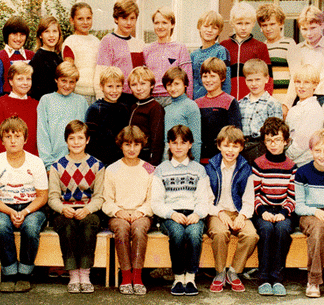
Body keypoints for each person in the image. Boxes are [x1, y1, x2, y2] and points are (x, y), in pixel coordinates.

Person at [0, 116, 48, 293]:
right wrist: (11, 212)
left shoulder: (36, 162)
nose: (13, 141)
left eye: (17, 136)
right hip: (4, 206)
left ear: (25, 139)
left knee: (30, 227)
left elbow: (42, 196)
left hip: (32, 207)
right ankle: (9, 273)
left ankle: (25, 273)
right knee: (0, 225)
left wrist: (25, 211)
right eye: (8, 136)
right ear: (2, 140)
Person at [151, 124, 210, 296]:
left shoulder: (199, 170)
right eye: (174, 142)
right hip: (170, 215)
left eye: (183, 142)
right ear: (168, 144)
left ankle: (190, 277)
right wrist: (171, 214)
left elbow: (204, 199)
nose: (178, 147)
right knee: (177, 233)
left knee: (193, 233)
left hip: (194, 214)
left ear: (190, 144)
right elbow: (156, 202)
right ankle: (178, 277)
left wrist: (197, 214)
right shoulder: (161, 170)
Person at [48, 120, 105, 293]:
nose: (76, 142)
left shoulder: (97, 165)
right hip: (64, 210)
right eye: (72, 138)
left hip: (88, 210)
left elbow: (99, 197)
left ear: (87, 140)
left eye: (80, 138)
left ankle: (85, 274)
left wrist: (87, 210)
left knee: (89, 225)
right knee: (67, 226)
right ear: (66, 141)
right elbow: (52, 197)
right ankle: (73, 275)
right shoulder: (57, 166)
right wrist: (62, 209)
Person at [205, 126, 258, 292]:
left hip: (238, 212)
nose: (230, 150)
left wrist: (242, 215)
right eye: (226, 146)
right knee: (220, 233)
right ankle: (220, 272)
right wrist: (219, 213)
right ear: (219, 146)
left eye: (235, 146)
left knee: (251, 235)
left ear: (241, 148)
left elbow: (249, 199)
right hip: (217, 212)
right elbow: (206, 199)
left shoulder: (245, 168)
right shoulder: (210, 167)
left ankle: (234, 272)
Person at [102, 125, 154, 295]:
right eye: (127, 144)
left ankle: (137, 277)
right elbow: (107, 200)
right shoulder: (112, 169)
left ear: (142, 145)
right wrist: (118, 212)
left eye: (136, 145)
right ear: (121, 145)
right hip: (118, 214)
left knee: (138, 229)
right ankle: (125, 275)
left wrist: (141, 212)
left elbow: (152, 199)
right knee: (122, 228)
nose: (132, 149)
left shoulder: (149, 169)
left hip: (142, 214)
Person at [252, 117, 296, 296]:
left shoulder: (291, 166)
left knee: (282, 229)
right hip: (263, 211)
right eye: (269, 140)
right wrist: (262, 211)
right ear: (264, 142)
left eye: (277, 139)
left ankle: (277, 278)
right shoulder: (259, 164)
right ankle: (263, 278)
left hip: (283, 211)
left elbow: (292, 196)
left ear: (285, 141)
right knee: (266, 229)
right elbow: (254, 194)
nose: (273, 144)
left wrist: (284, 213)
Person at [37, 60, 88, 170]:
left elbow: (85, 134)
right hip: (53, 163)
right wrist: (48, 165)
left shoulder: (81, 102)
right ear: (56, 79)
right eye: (63, 81)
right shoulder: (46, 100)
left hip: (78, 162)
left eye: (72, 82)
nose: (67, 85)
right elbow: (42, 134)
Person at [221, 1, 272, 100]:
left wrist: (264, 100)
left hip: (253, 101)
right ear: (232, 23)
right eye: (239, 23)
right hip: (228, 101)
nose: (243, 28)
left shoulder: (260, 47)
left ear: (253, 23)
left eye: (247, 23)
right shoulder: (223, 46)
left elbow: (268, 78)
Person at [294, 128, 324, 298]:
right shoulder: (302, 172)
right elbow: (299, 206)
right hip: (309, 215)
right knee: (318, 228)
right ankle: (313, 280)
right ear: (311, 150)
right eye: (317, 150)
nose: (322, 155)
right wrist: (314, 211)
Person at [95, 0, 144, 97]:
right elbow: (101, 75)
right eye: (124, 18)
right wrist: (102, 101)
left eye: (132, 18)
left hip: (137, 96)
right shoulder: (108, 41)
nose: (129, 23)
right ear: (116, 19)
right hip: (116, 97)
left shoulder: (139, 44)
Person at [196, 57, 242, 161]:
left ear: (222, 78)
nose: (208, 80)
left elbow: (235, 133)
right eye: (205, 76)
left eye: (213, 76)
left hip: (223, 159)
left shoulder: (230, 101)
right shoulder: (197, 103)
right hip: (201, 158)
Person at [143, 5, 192, 101]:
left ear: (172, 24)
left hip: (173, 98)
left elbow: (187, 78)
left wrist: (187, 101)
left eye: (164, 23)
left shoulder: (180, 48)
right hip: (152, 99)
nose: (160, 27)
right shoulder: (147, 50)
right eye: (156, 23)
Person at [0, 60, 38, 155]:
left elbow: (40, 136)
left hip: (31, 158)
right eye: (20, 79)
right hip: (7, 158)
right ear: (11, 81)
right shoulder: (1, 103)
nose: (25, 83)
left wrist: (34, 158)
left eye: (28, 79)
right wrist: (10, 157)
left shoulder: (36, 105)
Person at [239, 58, 283, 164]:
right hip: (243, 148)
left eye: (258, 79)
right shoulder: (241, 103)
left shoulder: (272, 104)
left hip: (262, 148)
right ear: (245, 80)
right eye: (250, 80)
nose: (254, 84)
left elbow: (276, 132)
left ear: (266, 78)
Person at [85, 66, 131, 166]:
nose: (114, 91)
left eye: (118, 86)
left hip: (121, 161)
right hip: (100, 161)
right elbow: (90, 141)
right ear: (101, 87)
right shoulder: (95, 109)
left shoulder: (125, 109)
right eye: (110, 86)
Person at [283, 5, 324, 115]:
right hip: (301, 99)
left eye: (313, 28)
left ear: (322, 25)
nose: (309, 34)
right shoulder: (297, 50)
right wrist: (287, 104)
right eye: (304, 29)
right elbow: (294, 79)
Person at [286, 65, 324, 167]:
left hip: (303, 164)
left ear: (315, 85)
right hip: (291, 162)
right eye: (298, 82)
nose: (301, 86)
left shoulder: (314, 110)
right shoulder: (294, 109)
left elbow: (303, 143)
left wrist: (286, 156)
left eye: (306, 82)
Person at [256, 3, 297, 97]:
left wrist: (287, 103)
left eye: (272, 24)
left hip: (283, 100)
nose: (268, 28)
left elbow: (295, 77)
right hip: (266, 101)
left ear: (281, 23)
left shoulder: (289, 44)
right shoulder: (261, 48)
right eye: (264, 25)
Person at [62, 2, 100, 102]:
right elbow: (68, 70)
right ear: (72, 20)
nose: (85, 22)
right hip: (78, 94)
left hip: (97, 93)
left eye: (88, 18)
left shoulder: (96, 41)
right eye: (80, 19)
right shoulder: (70, 42)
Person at [162, 67, 202, 162]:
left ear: (185, 84)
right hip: (167, 159)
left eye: (177, 84)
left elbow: (196, 140)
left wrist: (194, 164)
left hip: (185, 160)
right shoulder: (166, 107)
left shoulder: (190, 106)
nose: (173, 88)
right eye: (169, 85)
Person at [128, 65, 165, 166]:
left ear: (152, 85)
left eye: (143, 84)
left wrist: (152, 164)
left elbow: (157, 139)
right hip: (132, 156)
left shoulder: (155, 108)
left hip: (147, 158)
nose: (138, 88)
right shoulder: (133, 107)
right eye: (134, 85)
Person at [191, 10, 231, 100]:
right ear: (199, 27)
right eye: (206, 26)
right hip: (196, 102)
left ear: (219, 31)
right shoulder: (193, 55)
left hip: (215, 102)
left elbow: (226, 81)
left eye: (214, 28)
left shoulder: (221, 51)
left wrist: (224, 102)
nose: (209, 30)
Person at [0, 15, 34, 96]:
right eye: (14, 34)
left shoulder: (31, 56)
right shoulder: (0, 57)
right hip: (7, 101)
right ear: (7, 35)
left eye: (22, 34)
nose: (18, 38)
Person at [30, 15, 63, 100]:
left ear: (59, 34)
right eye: (47, 31)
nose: (51, 35)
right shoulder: (38, 59)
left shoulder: (58, 59)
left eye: (55, 31)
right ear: (40, 35)